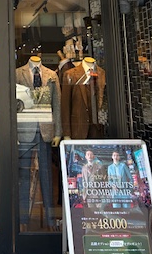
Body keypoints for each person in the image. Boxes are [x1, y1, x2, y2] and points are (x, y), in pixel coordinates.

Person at [16, 55, 61, 230]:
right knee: (23, 174)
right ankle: (23, 217)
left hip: (45, 129)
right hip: (24, 129)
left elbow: (57, 104)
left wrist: (58, 132)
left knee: (46, 173)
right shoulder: (17, 74)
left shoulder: (51, 75)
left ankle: (50, 217)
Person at [61, 57, 106, 139]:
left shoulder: (102, 73)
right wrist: (66, 133)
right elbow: (65, 105)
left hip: (97, 129)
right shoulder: (70, 74)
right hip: (78, 128)